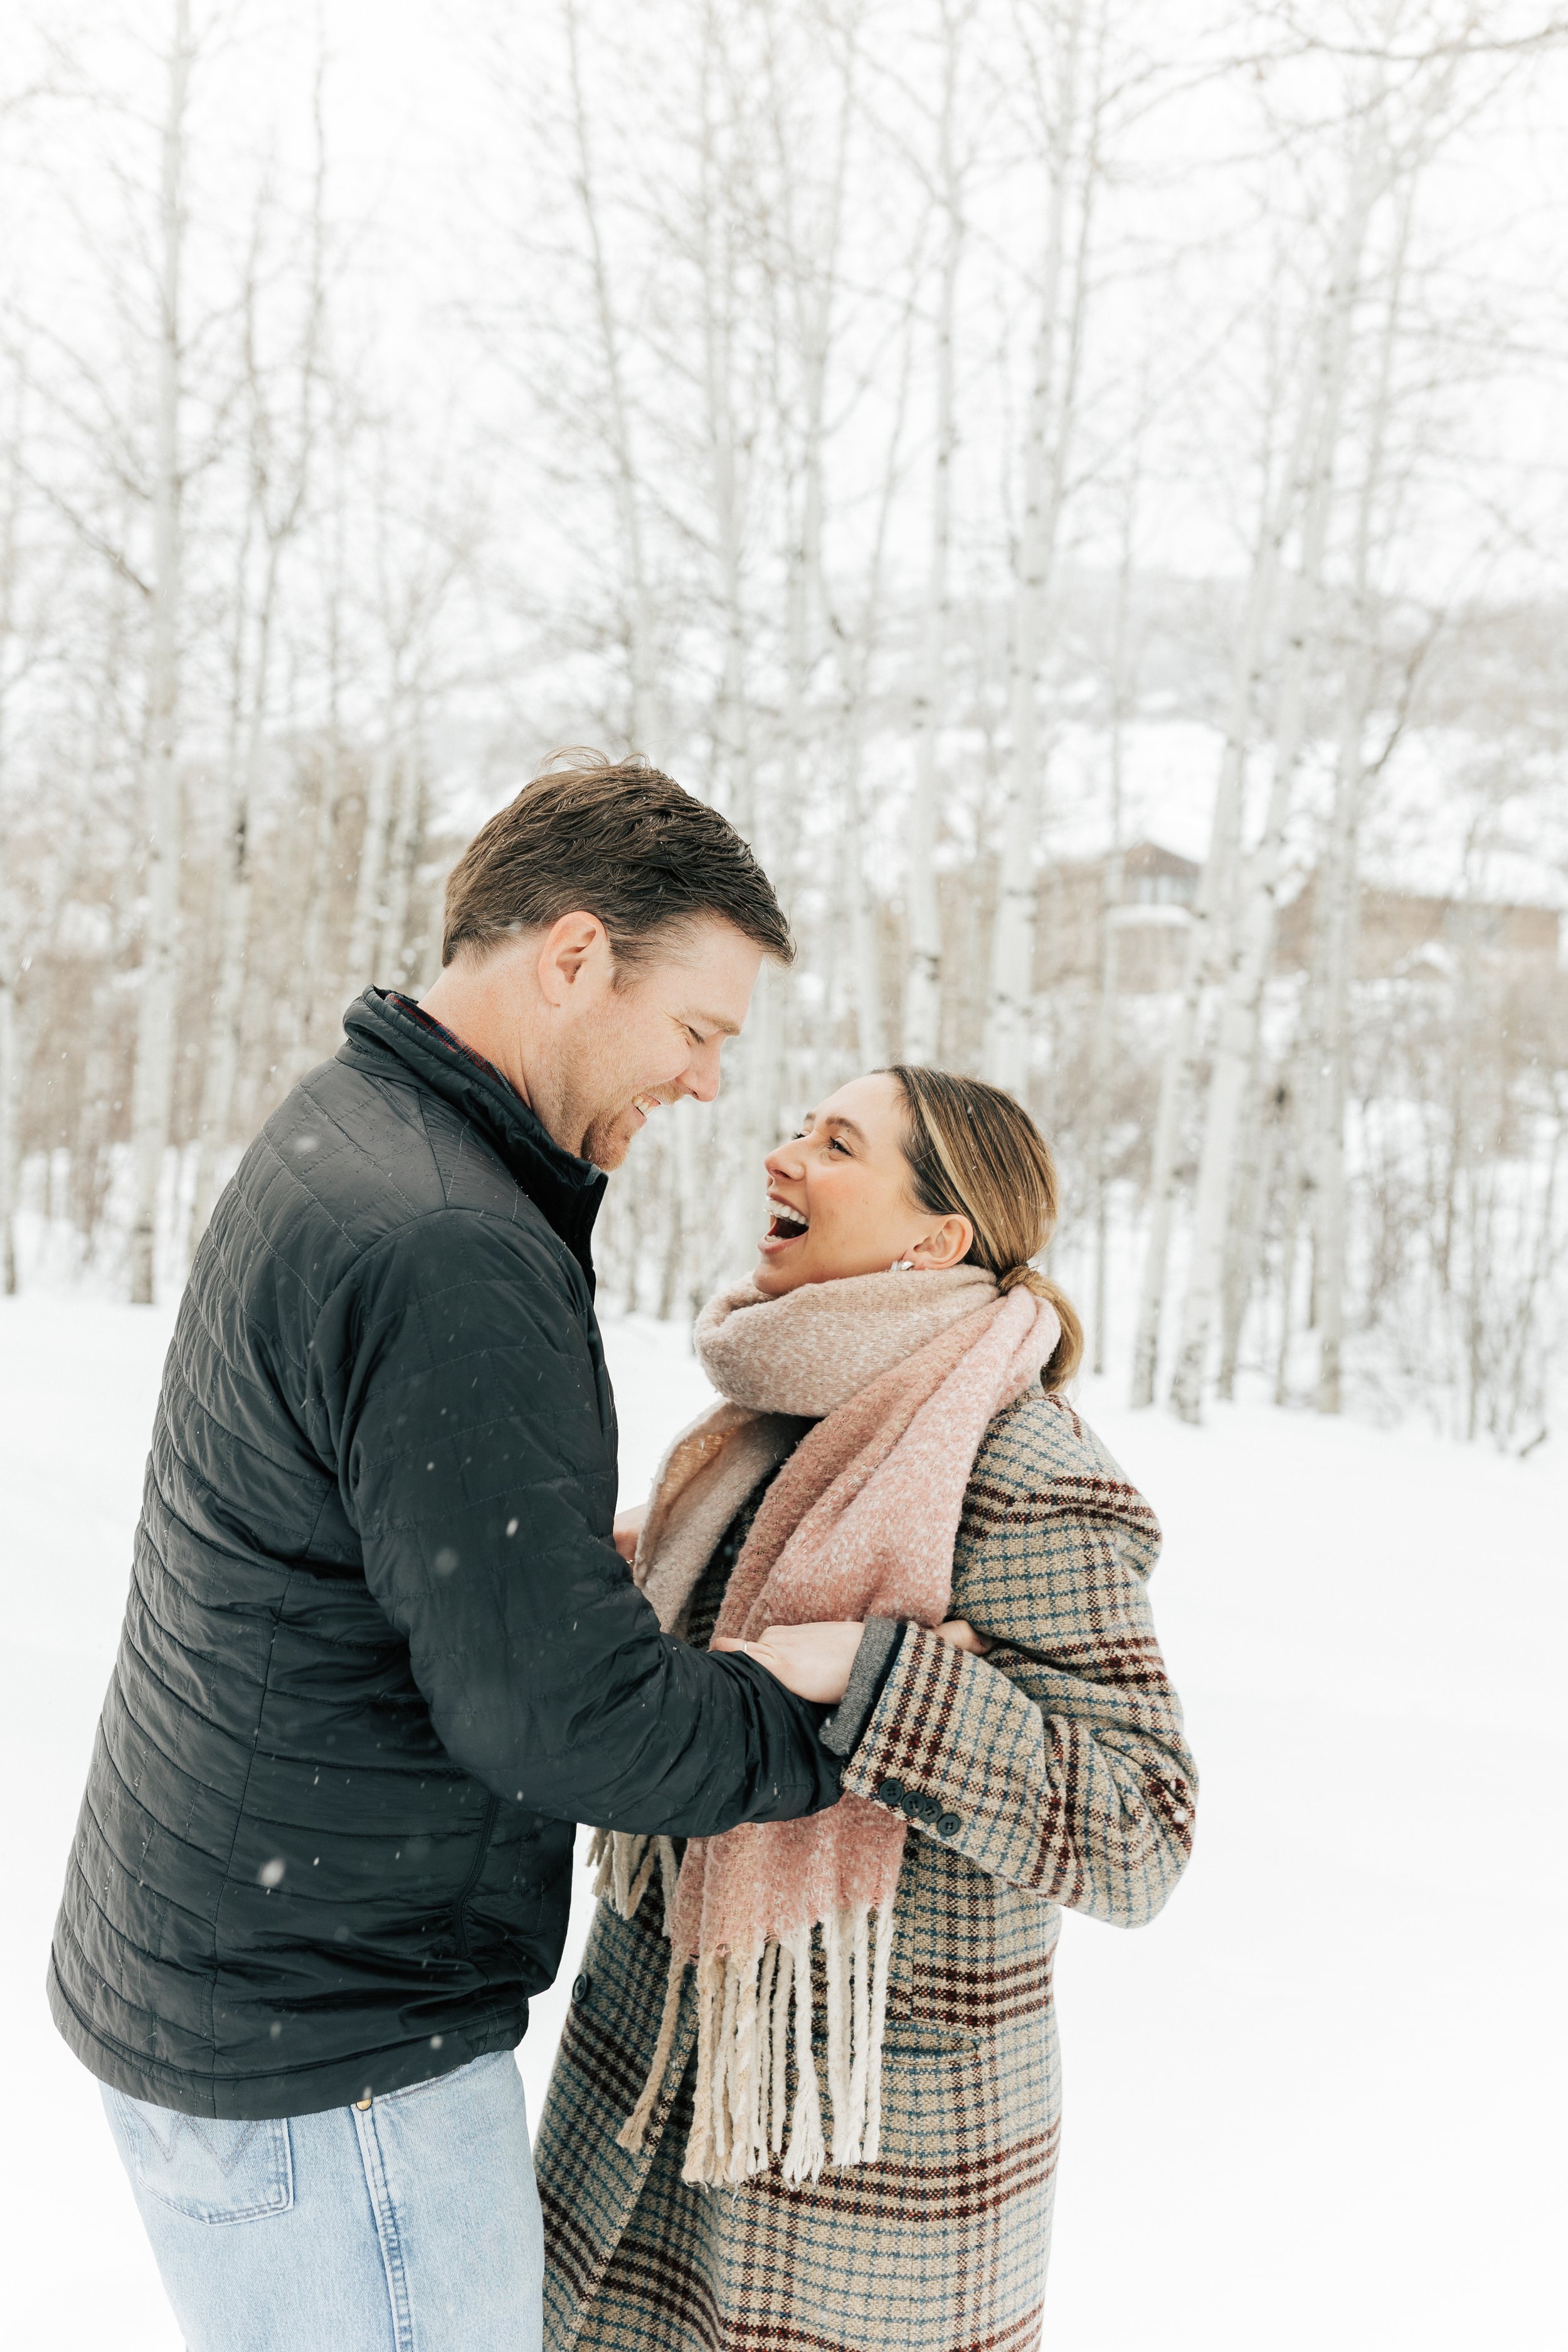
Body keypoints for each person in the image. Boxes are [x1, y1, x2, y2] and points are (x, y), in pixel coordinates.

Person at [47, 755, 874, 2352]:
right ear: (572, 956)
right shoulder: (449, 1240)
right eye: (696, 1030)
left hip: (229, 1982)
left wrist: (550, 1565)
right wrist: (829, 1715)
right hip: (333, 2059)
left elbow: (372, 1550)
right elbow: (556, 1718)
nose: (708, 1089)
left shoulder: (353, 1127)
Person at [535, 1064, 1197, 2352]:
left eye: (833, 1143)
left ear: (931, 1239)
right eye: (794, 1128)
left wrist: (889, 1680)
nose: (780, 1157)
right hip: (654, 2107)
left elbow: (1139, 1832)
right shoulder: (767, 1422)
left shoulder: (1019, 1465)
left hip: (857, 2169)